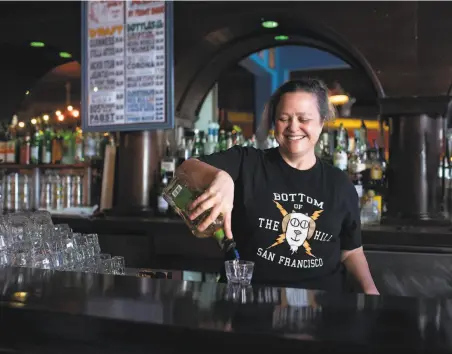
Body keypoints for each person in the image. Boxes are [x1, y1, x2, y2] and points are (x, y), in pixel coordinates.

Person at [177, 78, 379, 294]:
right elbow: (185, 169)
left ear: (321, 123)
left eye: (304, 119)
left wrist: (372, 294)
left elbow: (351, 252)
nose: (293, 127)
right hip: (248, 305)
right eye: (284, 118)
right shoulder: (247, 162)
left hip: (321, 309)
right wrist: (220, 177)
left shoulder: (339, 184)